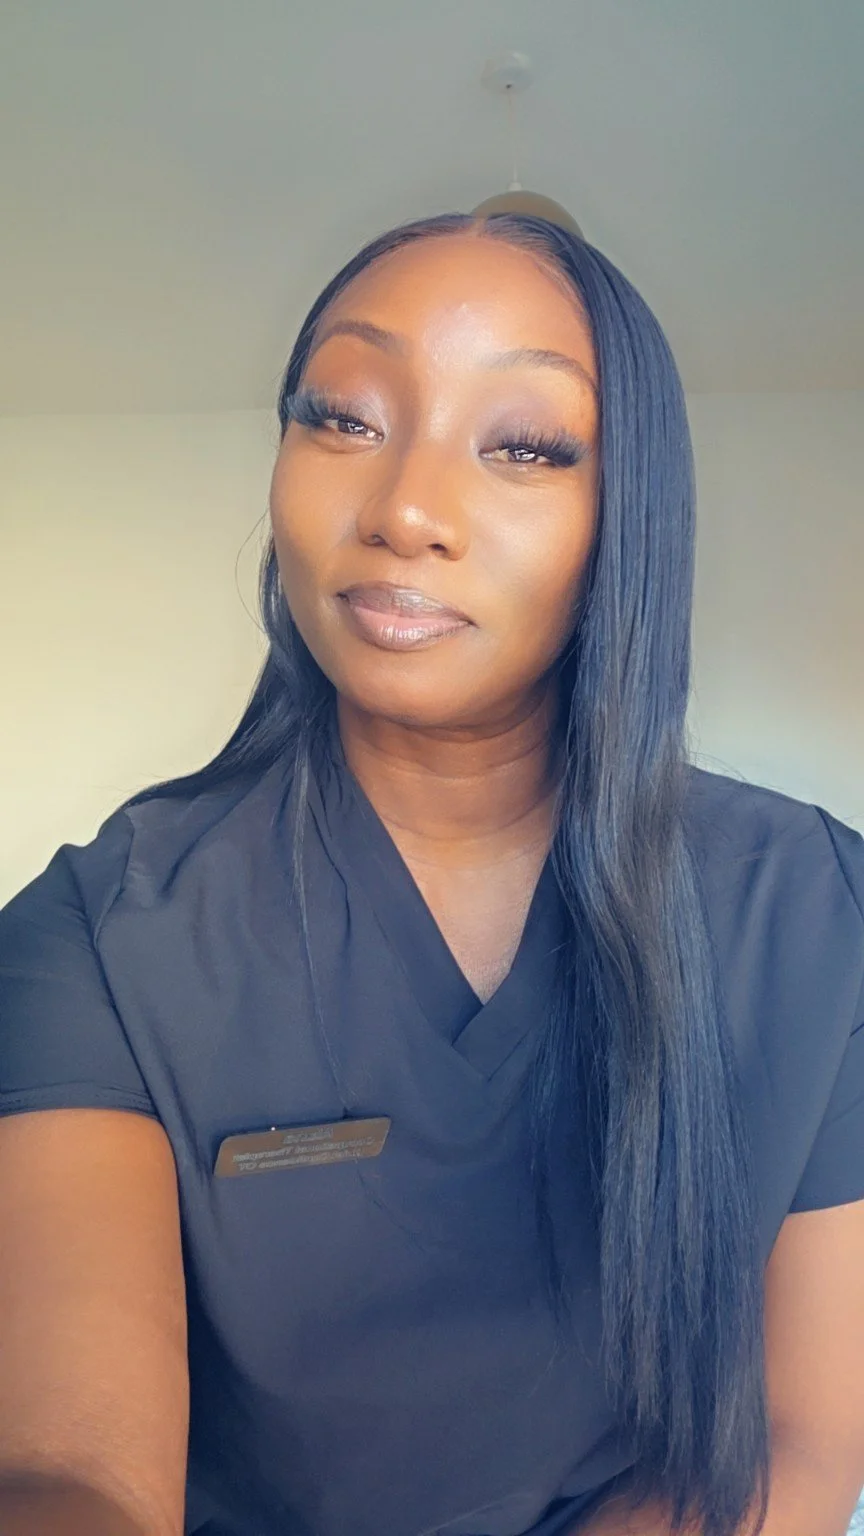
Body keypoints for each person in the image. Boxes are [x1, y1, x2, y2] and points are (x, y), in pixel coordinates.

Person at [1, 210, 863, 1536]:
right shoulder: (96, 937)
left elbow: (795, 1442)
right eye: (344, 416)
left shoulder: (811, 911)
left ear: (627, 514)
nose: (405, 509)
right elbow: (70, 1469)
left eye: (525, 445)